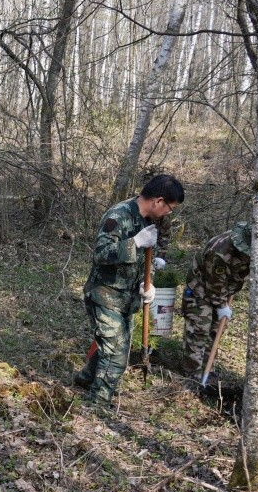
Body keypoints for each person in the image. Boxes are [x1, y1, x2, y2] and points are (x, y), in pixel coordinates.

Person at [73, 173, 185, 404]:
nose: (168, 213)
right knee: (116, 353)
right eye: (169, 208)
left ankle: (85, 379)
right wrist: (134, 243)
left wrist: (148, 282)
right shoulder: (119, 215)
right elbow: (100, 254)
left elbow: (146, 258)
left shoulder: (150, 221)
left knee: (111, 345)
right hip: (104, 294)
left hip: (127, 298)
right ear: (158, 201)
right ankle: (98, 403)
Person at [181, 222, 252, 377]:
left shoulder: (255, 242)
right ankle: (193, 373)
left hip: (223, 290)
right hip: (200, 289)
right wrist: (221, 305)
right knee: (199, 329)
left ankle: (208, 370)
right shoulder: (220, 252)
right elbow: (214, 284)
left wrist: (224, 301)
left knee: (215, 330)